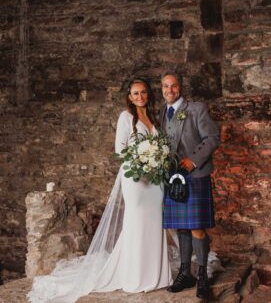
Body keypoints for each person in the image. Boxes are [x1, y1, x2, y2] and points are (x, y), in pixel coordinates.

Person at [28, 78, 172, 302]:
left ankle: (157, 274)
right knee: (137, 221)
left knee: (154, 221)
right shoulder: (126, 117)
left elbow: (159, 146)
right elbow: (120, 149)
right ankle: (135, 275)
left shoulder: (153, 117)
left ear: (148, 95)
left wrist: (155, 161)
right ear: (129, 97)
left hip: (154, 180)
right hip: (135, 178)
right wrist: (141, 162)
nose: (140, 97)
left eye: (143, 93)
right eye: (135, 93)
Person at [160, 72, 219, 299]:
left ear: (180, 88)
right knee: (181, 227)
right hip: (173, 177)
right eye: (166, 87)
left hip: (195, 176)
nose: (170, 90)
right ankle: (185, 274)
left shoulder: (197, 109)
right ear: (162, 89)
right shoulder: (163, 112)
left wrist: (193, 160)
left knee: (197, 228)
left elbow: (212, 137)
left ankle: (202, 275)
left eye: (173, 86)